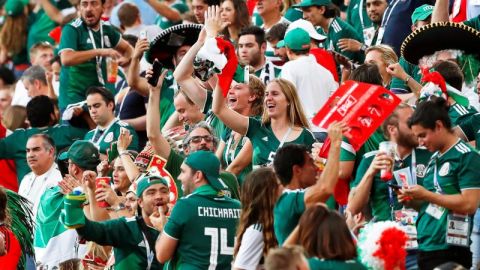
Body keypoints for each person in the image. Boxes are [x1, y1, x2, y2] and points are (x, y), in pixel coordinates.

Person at [397, 98, 480, 269]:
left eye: (423, 135)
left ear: (439, 126)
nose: (420, 142)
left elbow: (470, 204)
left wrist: (426, 194)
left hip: (451, 248)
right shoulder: (435, 156)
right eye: (417, 137)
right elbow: (431, 202)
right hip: (426, 246)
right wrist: (412, 199)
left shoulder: (466, 156)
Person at [146, 68, 240, 199]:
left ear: (215, 146)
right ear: (185, 149)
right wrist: (154, 91)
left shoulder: (228, 179)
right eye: (196, 140)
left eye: (208, 139)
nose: (203, 142)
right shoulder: (179, 165)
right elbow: (154, 135)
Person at [62, 174, 169, 270]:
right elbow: (92, 230)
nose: (159, 196)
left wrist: (164, 231)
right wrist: (74, 212)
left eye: (164, 191)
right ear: (140, 202)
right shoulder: (128, 226)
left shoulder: (178, 227)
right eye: (151, 193)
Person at [155, 151, 241, 269]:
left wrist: (163, 228)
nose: (179, 177)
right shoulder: (238, 207)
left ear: (198, 176)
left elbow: (162, 255)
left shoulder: (185, 205)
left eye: (183, 171)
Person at [212, 73, 316, 167]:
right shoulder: (257, 128)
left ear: (289, 100)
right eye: (266, 94)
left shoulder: (305, 136)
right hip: (257, 188)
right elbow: (219, 110)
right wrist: (225, 73)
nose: (269, 98)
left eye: (275, 94)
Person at [272, 121, 344, 244]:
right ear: (297, 170)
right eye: (311, 162)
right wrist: (335, 144)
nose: (316, 167)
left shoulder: (298, 196)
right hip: (295, 263)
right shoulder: (287, 200)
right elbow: (325, 188)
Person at [58, 0, 133, 113]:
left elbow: (129, 49)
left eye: (94, 3)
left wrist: (126, 59)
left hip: (99, 99)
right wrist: (99, 51)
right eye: (84, 4)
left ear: (103, 7)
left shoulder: (107, 29)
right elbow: (66, 59)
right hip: (74, 101)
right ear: (79, 8)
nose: (88, 8)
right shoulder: (72, 29)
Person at [34, 140, 100, 269]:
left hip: (52, 264)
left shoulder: (49, 195)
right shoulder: (107, 192)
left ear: (74, 169)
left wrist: (80, 194)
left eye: (69, 163)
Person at [0, 96, 87, 182]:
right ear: (52, 116)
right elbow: (93, 136)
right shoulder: (67, 133)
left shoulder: (18, 138)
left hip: (27, 193)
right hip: (61, 190)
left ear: (28, 119)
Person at [279, 27, 338, 140]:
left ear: (288, 49)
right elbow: (335, 102)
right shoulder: (326, 73)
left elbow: (286, 99)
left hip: (304, 132)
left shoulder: (289, 67)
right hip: (326, 133)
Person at [285, 205, 367, 269]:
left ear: (311, 238)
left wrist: (306, 223)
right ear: (344, 235)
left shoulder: (308, 266)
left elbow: (281, 256)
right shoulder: (360, 266)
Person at [233, 168, 280, 269]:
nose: (284, 189)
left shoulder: (274, 224)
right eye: (279, 185)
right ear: (268, 194)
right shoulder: (257, 231)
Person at [295, 0, 364, 63]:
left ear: (322, 9)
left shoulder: (340, 31)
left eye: (308, 11)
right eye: (303, 12)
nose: (304, 16)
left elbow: (347, 68)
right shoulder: (319, 30)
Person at [84, 86, 139, 154]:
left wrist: (95, 155)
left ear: (110, 105)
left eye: (96, 106)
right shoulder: (88, 135)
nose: (92, 111)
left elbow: (129, 161)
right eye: (89, 107)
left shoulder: (123, 130)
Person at [19, 134, 62, 218]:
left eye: (36, 149)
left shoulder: (60, 179)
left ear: (50, 152)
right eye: (28, 150)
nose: (30, 155)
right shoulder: (25, 179)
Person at [12, 42, 55, 107]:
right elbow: (18, 109)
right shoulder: (22, 84)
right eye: (44, 56)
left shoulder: (61, 78)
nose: (49, 59)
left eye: (51, 55)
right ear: (33, 61)